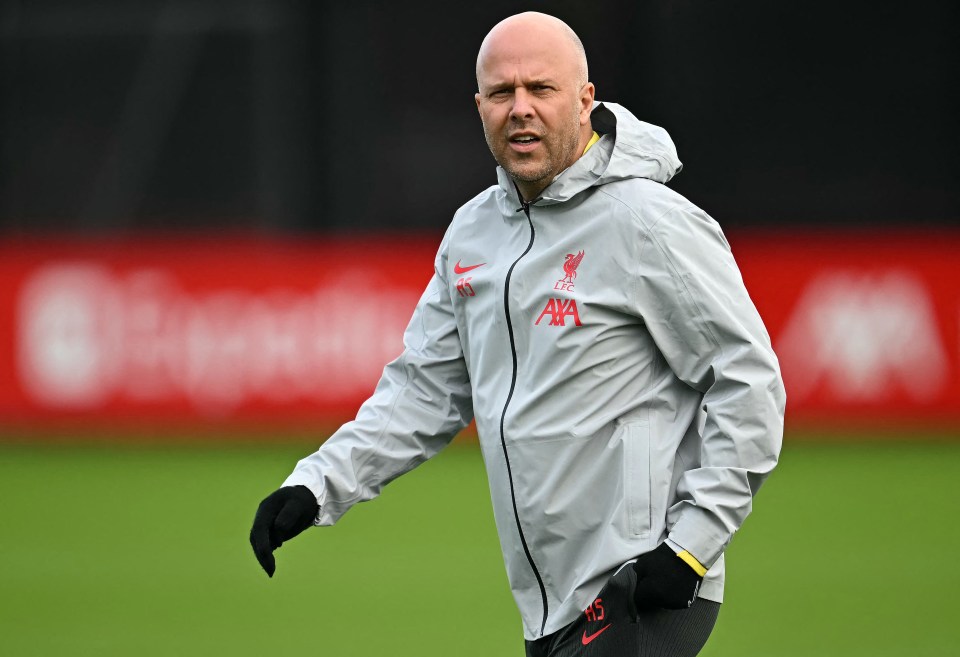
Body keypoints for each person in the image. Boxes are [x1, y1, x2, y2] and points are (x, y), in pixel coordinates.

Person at [250, 11, 785, 657]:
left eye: (542, 89)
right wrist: (316, 484)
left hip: (643, 583)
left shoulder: (648, 221)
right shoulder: (472, 232)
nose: (520, 109)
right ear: (479, 106)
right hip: (549, 602)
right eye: (502, 93)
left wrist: (690, 547)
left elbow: (748, 380)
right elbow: (425, 390)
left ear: (585, 100)